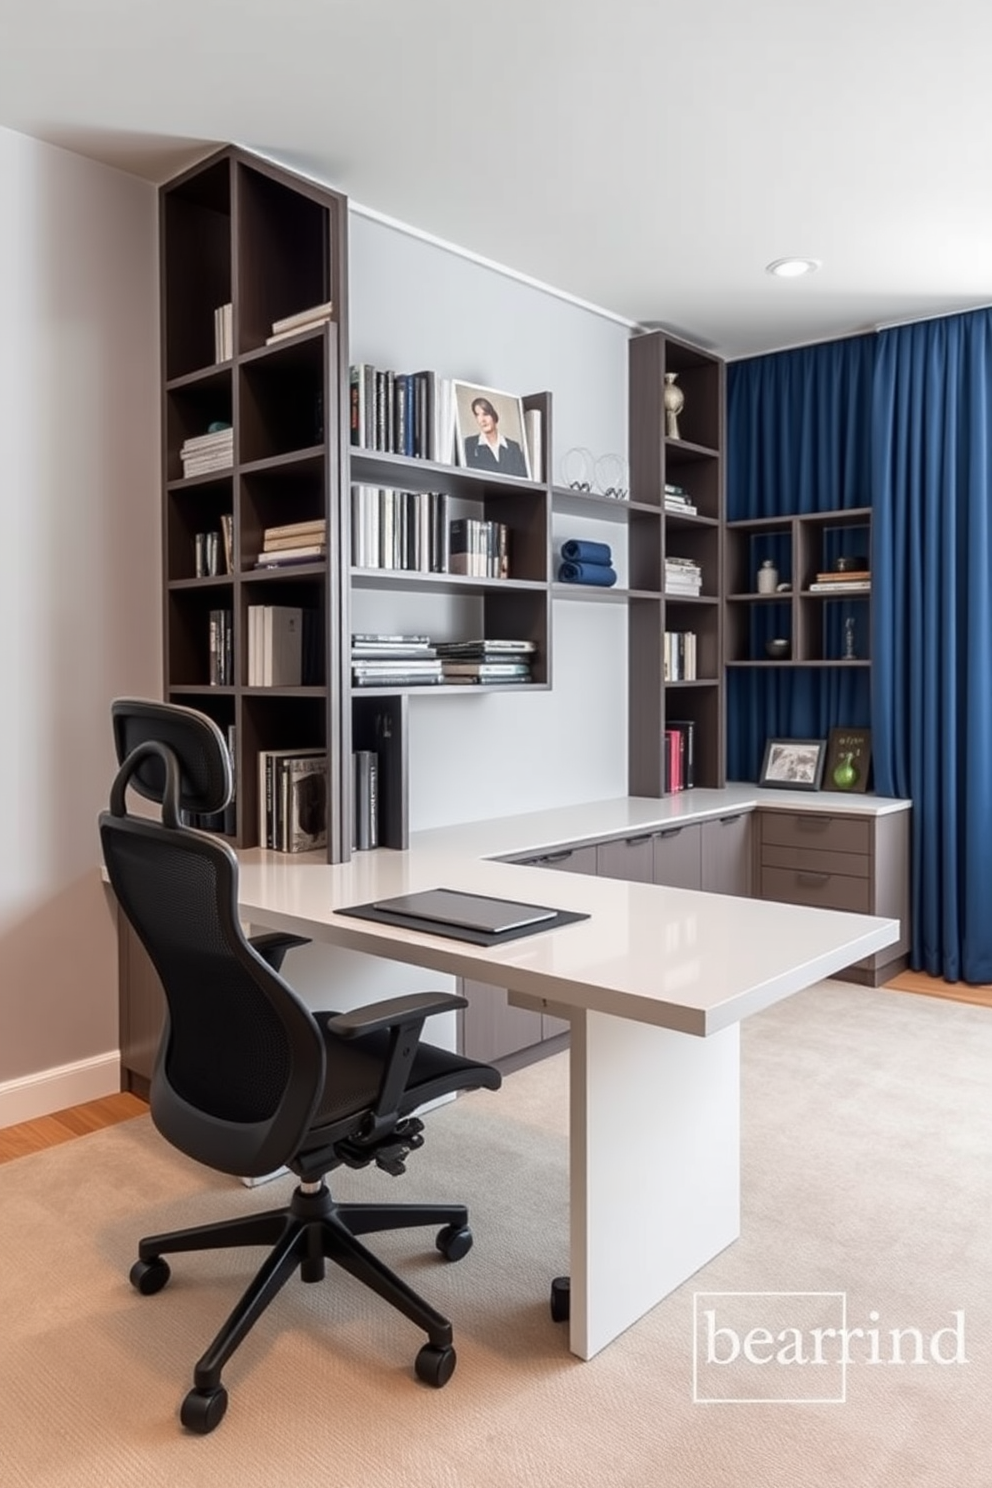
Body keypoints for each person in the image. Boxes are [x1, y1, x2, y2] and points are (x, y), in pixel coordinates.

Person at [463, 396, 529, 477]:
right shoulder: (470, 444)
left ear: (494, 416)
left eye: (485, 414)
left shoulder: (513, 447)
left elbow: (523, 481)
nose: (482, 420)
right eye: (477, 415)